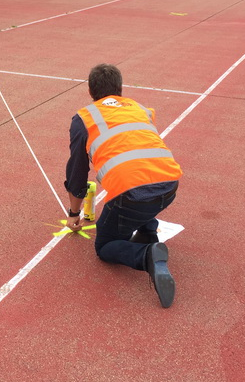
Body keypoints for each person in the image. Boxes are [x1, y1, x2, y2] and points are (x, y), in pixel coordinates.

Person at [64, 63, 183, 308]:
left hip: (132, 196)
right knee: (143, 190)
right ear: (120, 89)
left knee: (105, 246)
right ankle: (148, 231)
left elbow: (77, 173)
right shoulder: (140, 109)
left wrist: (74, 214)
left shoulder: (84, 118)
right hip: (170, 185)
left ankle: (146, 256)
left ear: (90, 91)